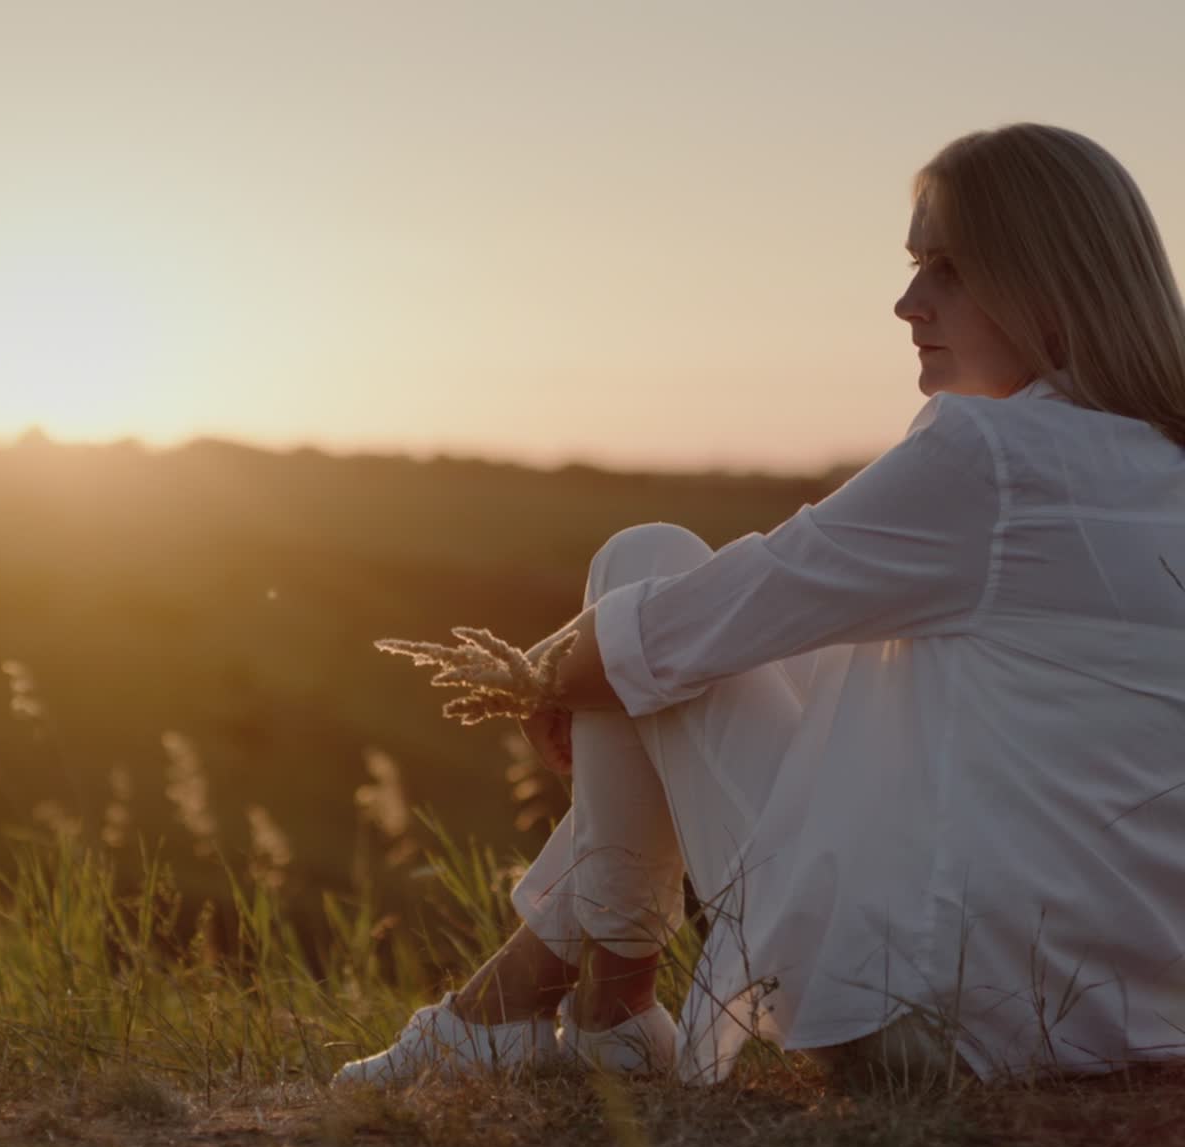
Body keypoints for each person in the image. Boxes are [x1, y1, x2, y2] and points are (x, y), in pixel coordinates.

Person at [336, 122, 1185, 1089]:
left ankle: (566, 1012)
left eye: (948, 269)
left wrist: (546, 682)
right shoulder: (1160, 463)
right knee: (678, 630)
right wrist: (608, 672)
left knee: (644, 565)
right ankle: (563, 1014)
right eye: (915, 266)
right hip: (1132, 1022)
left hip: (942, 1025)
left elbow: (703, 621)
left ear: (1048, 280)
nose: (909, 303)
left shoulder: (992, 458)